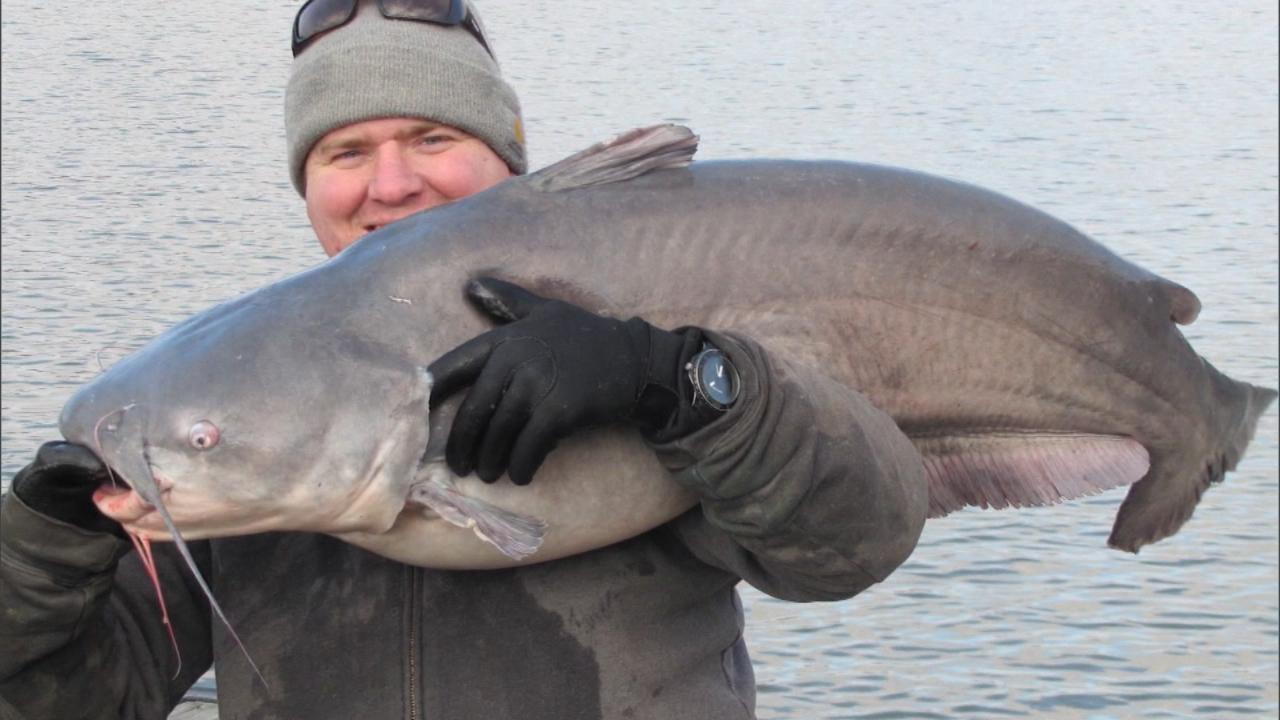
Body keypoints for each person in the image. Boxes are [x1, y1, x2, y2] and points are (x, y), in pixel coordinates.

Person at [0, 2, 928, 718]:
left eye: (434, 138)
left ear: (508, 159)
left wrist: (678, 382)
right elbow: (77, 700)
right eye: (346, 150)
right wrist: (43, 555)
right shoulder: (241, 419)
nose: (391, 182)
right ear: (310, 185)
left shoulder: (647, 318)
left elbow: (851, 543)